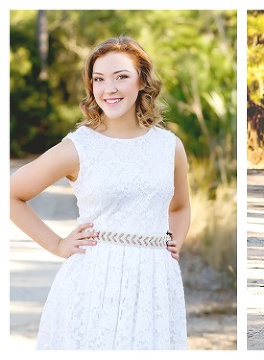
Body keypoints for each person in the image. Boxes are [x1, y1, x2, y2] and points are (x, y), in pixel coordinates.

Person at [9, 36, 190, 350]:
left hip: (156, 285)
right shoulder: (78, 147)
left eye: (121, 76)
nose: (110, 88)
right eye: (99, 79)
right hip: (94, 283)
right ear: (91, 87)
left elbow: (181, 207)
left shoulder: (169, 147)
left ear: (142, 81)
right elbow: (10, 194)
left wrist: (173, 244)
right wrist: (57, 244)